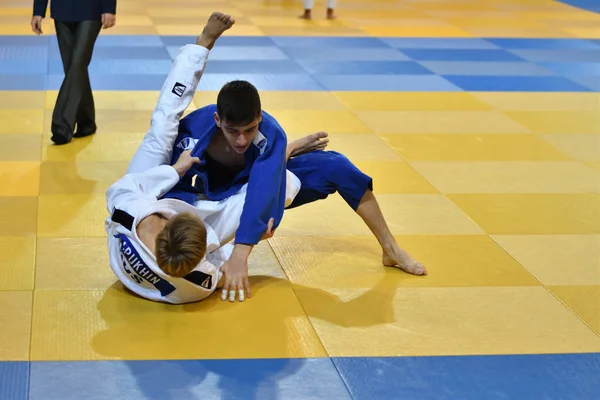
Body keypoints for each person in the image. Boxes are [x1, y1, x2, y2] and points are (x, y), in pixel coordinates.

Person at [105, 12, 310, 305]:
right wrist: (246, 242)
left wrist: (175, 170)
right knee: (285, 182)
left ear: (165, 222)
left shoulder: (127, 210)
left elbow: (121, 187)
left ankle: (203, 42)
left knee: (161, 129)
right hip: (163, 243)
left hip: (132, 227)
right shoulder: (197, 282)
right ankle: (284, 151)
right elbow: (222, 263)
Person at [31, 0, 117, 145]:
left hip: (92, 10)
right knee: (73, 70)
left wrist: (109, 7)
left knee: (77, 65)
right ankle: (86, 122)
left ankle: (62, 125)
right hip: (61, 11)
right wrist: (38, 11)